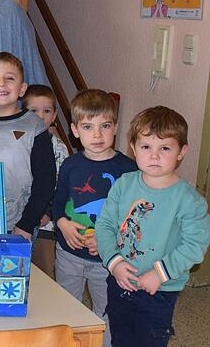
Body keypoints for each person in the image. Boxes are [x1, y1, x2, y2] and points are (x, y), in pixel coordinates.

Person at [97, 106, 210, 347]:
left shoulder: (190, 201)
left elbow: (194, 245)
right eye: (146, 147)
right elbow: (105, 225)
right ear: (133, 148)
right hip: (119, 281)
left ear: (182, 151)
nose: (154, 156)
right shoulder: (123, 184)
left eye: (165, 148)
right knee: (120, 336)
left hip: (159, 290)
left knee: (150, 340)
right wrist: (113, 261)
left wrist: (160, 273)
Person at [52, 90, 136, 347]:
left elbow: (133, 218)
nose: (97, 135)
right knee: (66, 306)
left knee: (108, 309)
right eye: (88, 127)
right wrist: (62, 223)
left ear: (116, 128)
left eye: (105, 126)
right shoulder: (70, 165)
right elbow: (58, 204)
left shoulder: (128, 170)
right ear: (75, 130)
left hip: (109, 260)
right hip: (69, 254)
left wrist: (110, 241)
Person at [0, 52, 56, 239]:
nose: (1, 84)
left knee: (13, 268)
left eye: (9, 78)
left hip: (20, 224)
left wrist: (27, 223)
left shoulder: (34, 125)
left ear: (22, 89)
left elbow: (45, 179)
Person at [23, 84, 68, 278]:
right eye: (33, 111)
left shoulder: (58, 148)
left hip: (45, 223)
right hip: (20, 215)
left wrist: (48, 210)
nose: (40, 117)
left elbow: (61, 184)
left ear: (54, 115)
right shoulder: (20, 140)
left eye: (46, 111)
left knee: (43, 269)